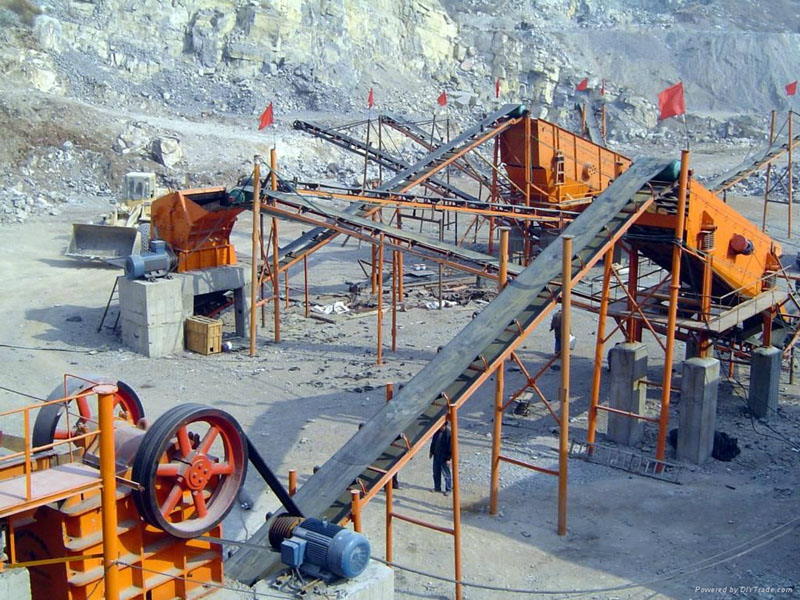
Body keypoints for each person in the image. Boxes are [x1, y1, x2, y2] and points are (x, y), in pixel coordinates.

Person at [430, 421, 452, 496]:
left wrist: (448, 458)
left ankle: (448, 489)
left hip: (444, 457)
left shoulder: (448, 434)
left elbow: (450, 447)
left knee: (446, 474)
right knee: (436, 473)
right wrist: (431, 451)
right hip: (436, 455)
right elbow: (433, 442)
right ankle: (437, 487)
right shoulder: (437, 432)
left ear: (444, 425)